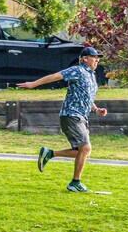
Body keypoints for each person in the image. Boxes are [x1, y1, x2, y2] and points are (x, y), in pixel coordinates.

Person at [16, 46, 108, 192]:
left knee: (83, 152)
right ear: (85, 59)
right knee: (86, 148)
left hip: (81, 116)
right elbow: (55, 76)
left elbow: (86, 96)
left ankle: (50, 153)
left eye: (98, 57)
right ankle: (75, 182)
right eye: (94, 57)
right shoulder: (77, 70)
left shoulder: (91, 75)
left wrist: (96, 109)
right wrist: (33, 84)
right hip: (71, 115)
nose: (97, 59)